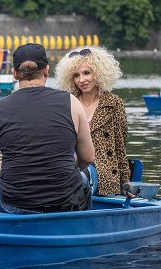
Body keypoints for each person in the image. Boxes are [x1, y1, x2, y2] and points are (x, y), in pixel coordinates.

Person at [0, 43, 95, 214]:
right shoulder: (72, 102)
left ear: (14, 74)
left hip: (17, 202)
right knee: (83, 178)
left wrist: (6, 172)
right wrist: (68, 167)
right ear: (46, 70)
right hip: (66, 200)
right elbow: (88, 157)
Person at [55, 46, 130, 195]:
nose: (81, 80)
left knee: (75, 177)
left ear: (98, 73)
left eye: (86, 73)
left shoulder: (114, 103)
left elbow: (120, 147)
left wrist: (126, 183)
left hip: (102, 173)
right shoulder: (67, 103)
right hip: (69, 168)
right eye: (76, 75)